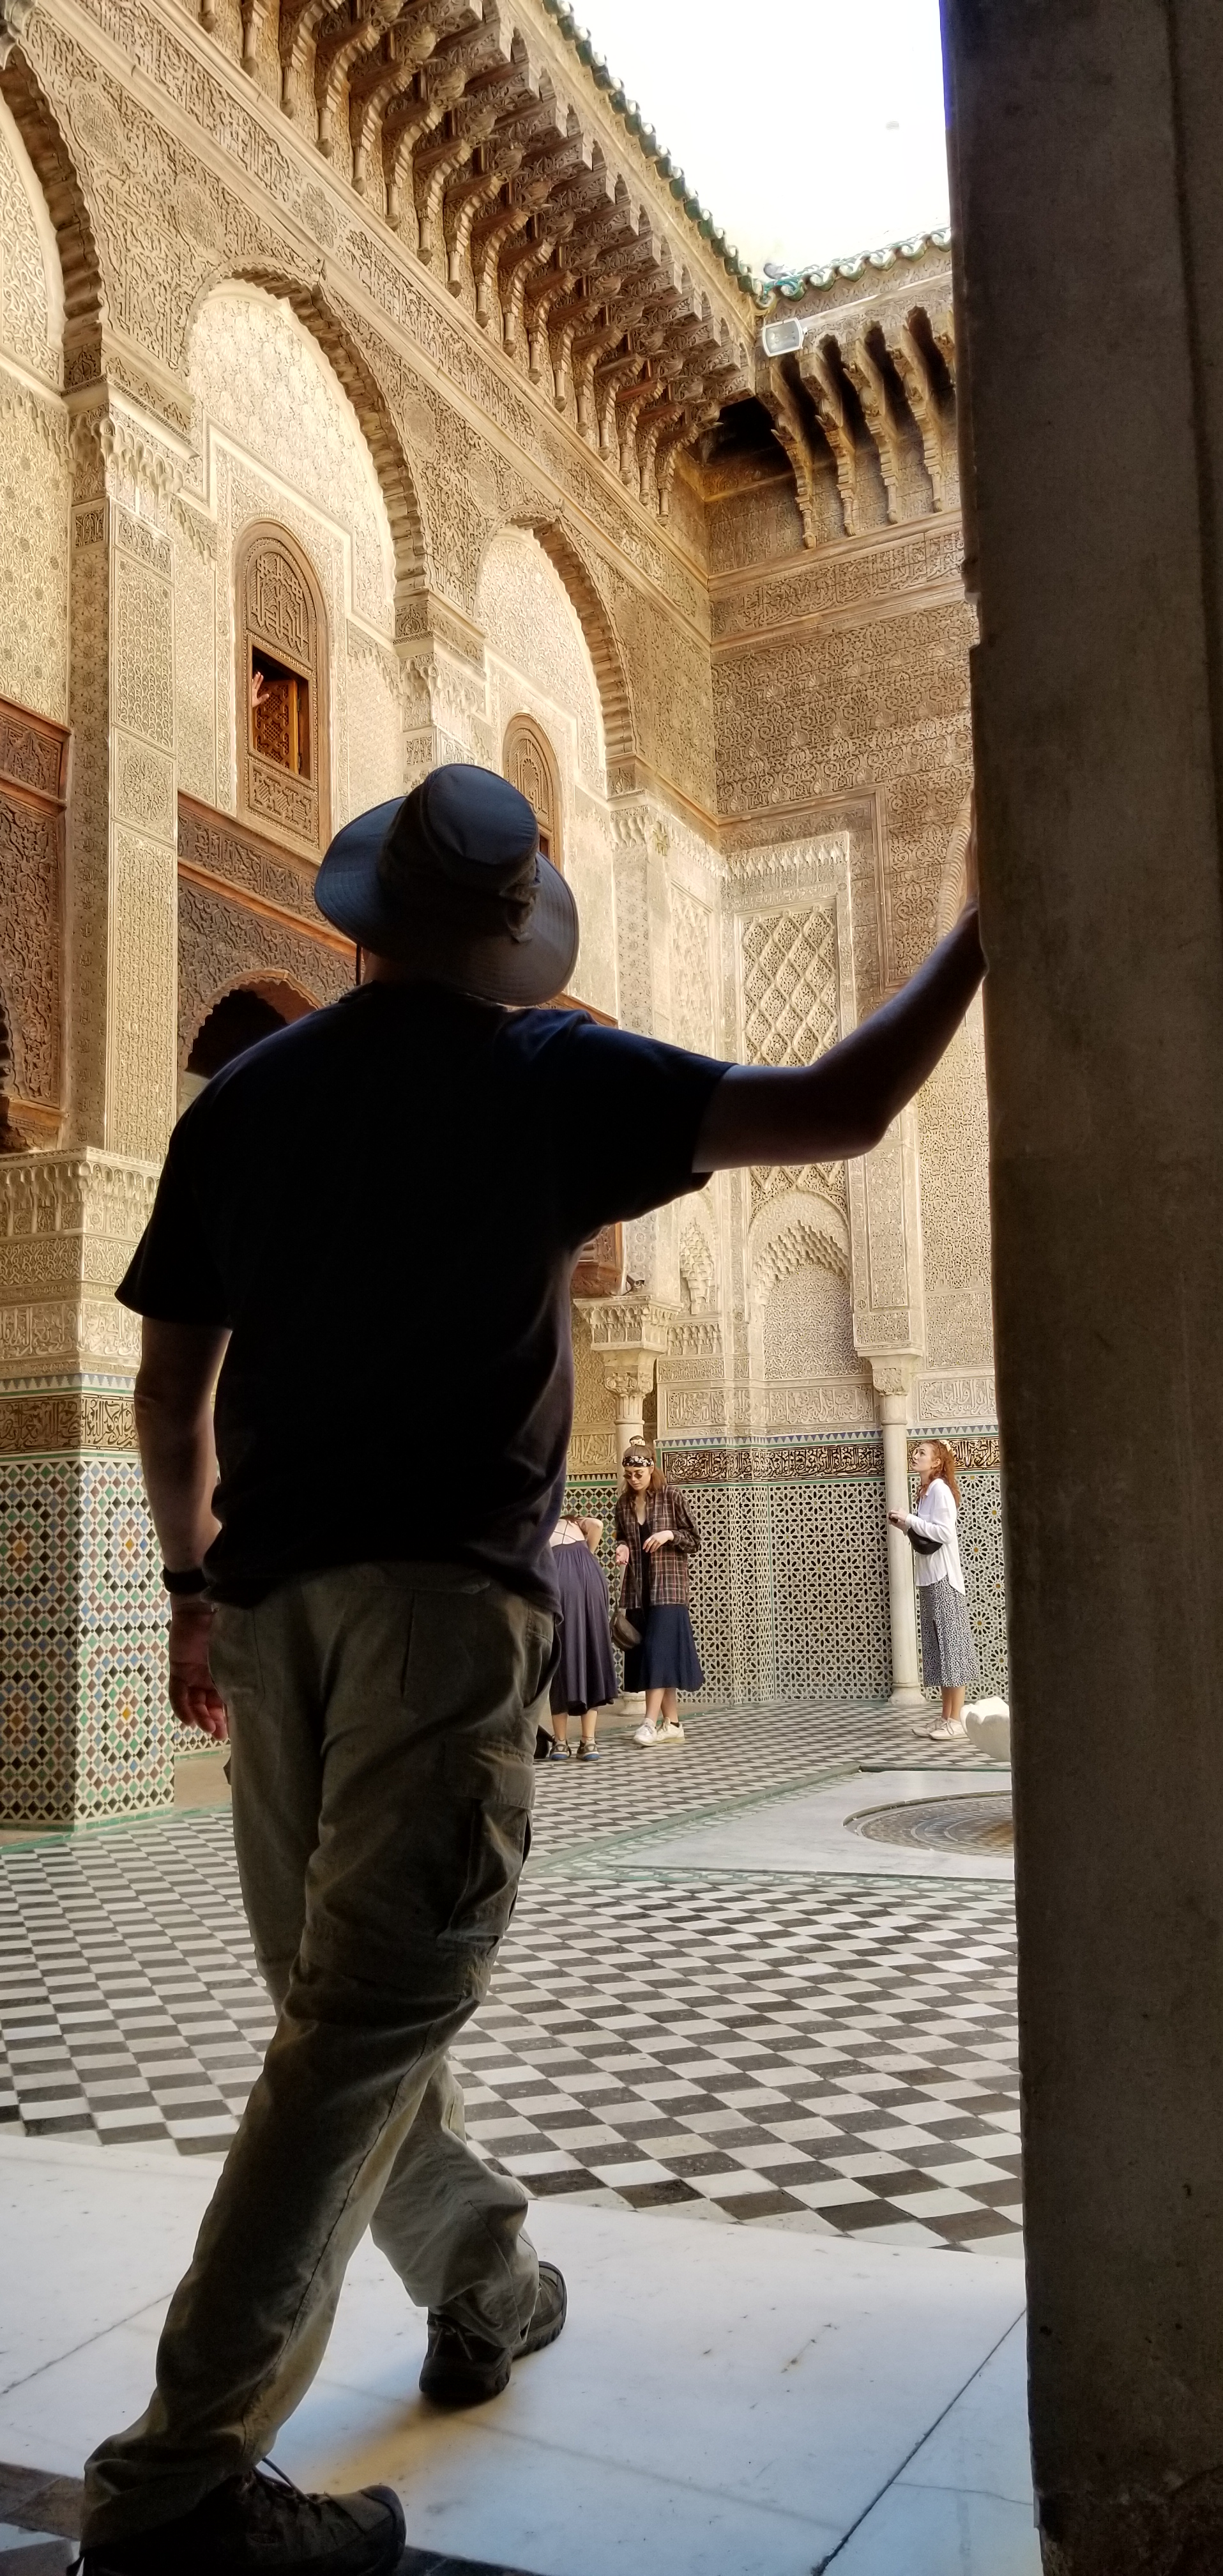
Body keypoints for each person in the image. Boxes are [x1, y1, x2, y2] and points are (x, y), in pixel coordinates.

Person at [75, 762, 984, 2576]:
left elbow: (173, 1399)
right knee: (366, 2018)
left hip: (265, 1611)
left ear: (362, 921)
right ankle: (177, 2484)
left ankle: (483, 2283)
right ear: (511, 933)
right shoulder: (545, 1074)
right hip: (433, 1616)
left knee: (348, 2005)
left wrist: (189, 1591)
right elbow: (844, 1104)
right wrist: (979, 930)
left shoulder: (246, 1102)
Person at [890, 1436, 980, 1738]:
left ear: (937, 1462)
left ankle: (957, 1721)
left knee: (952, 1648)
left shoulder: (940, 1489)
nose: (915, 1456)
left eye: (922, 1453)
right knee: (939, 1649)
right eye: (916, 1452)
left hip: (944, 1580)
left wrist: (910, 1519)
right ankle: (944, 1717)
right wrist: (905, 1525)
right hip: (929, 1579)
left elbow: (945, 1533)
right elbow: (925, 1536)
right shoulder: (925, 1493)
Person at [614, 1449, 703, 1745]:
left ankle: (649, 1723)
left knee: (657, 1654)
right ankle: (673, 1723)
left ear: (651, 1469)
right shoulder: (623, 1504)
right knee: (655, 1656)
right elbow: (622, 1536)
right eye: (629, 1475)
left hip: (669, 1590)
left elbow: (695, 1540)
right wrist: (623, 1547)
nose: (633, 1479)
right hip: (638, 1591)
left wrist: (669, 1535)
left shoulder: (671, 1496)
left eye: (638, 1473)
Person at [546, 1512, 616, 1760]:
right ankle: (589, 1742)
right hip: (591, 1578)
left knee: (560, 1658)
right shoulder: (575, 1523)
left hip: (560, 1581)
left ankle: (560, 1743)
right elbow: (598, 1524)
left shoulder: (541, 1523)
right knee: (591, 1653)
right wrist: (588, 1553)